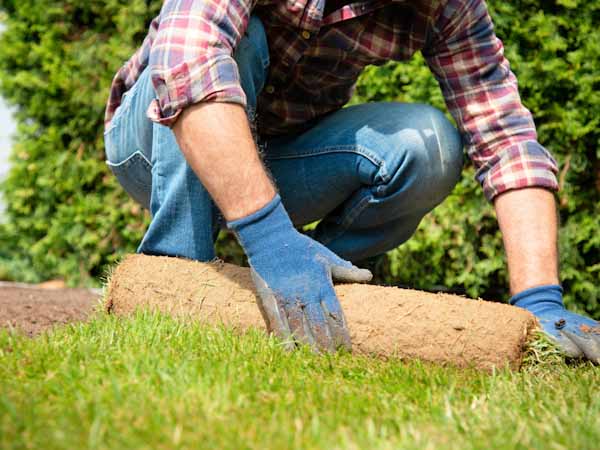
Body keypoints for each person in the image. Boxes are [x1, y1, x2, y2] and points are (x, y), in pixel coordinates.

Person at [104, 0, 599, 360]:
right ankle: (176, 272)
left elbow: (507, 142)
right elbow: (187, 61)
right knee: (240, 39)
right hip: (152, 143)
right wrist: (268, 237)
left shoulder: (450, 7)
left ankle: (317, 291)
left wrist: (539, 298)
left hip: (278, 161)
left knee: (428, 145)